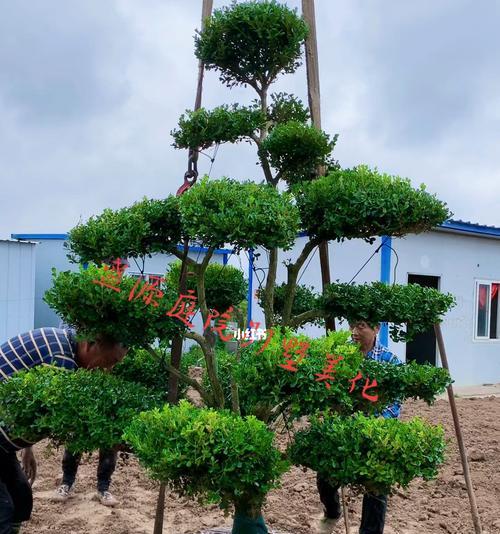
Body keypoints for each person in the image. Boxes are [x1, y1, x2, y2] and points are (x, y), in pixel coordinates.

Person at [0, 327, 127, 534]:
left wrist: (27, 446)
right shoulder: (61, 359)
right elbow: (63, 419)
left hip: (3, 445)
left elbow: (31, 402)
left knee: (20, 496)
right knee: (3, 511)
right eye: (109, 361)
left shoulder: (63, 347)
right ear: (89, 344)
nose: (108, 370)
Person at [317, 321, 401, 534]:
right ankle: (333, 511)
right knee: (325, 477)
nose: (354, 332)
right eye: (352, 325)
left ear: (376, 329)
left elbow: (395, 402)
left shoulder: (389, 361)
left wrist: (378, 422)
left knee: (377, 485)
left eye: (361, 326)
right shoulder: (340, 356)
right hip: (344, 431)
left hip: (376, 433)